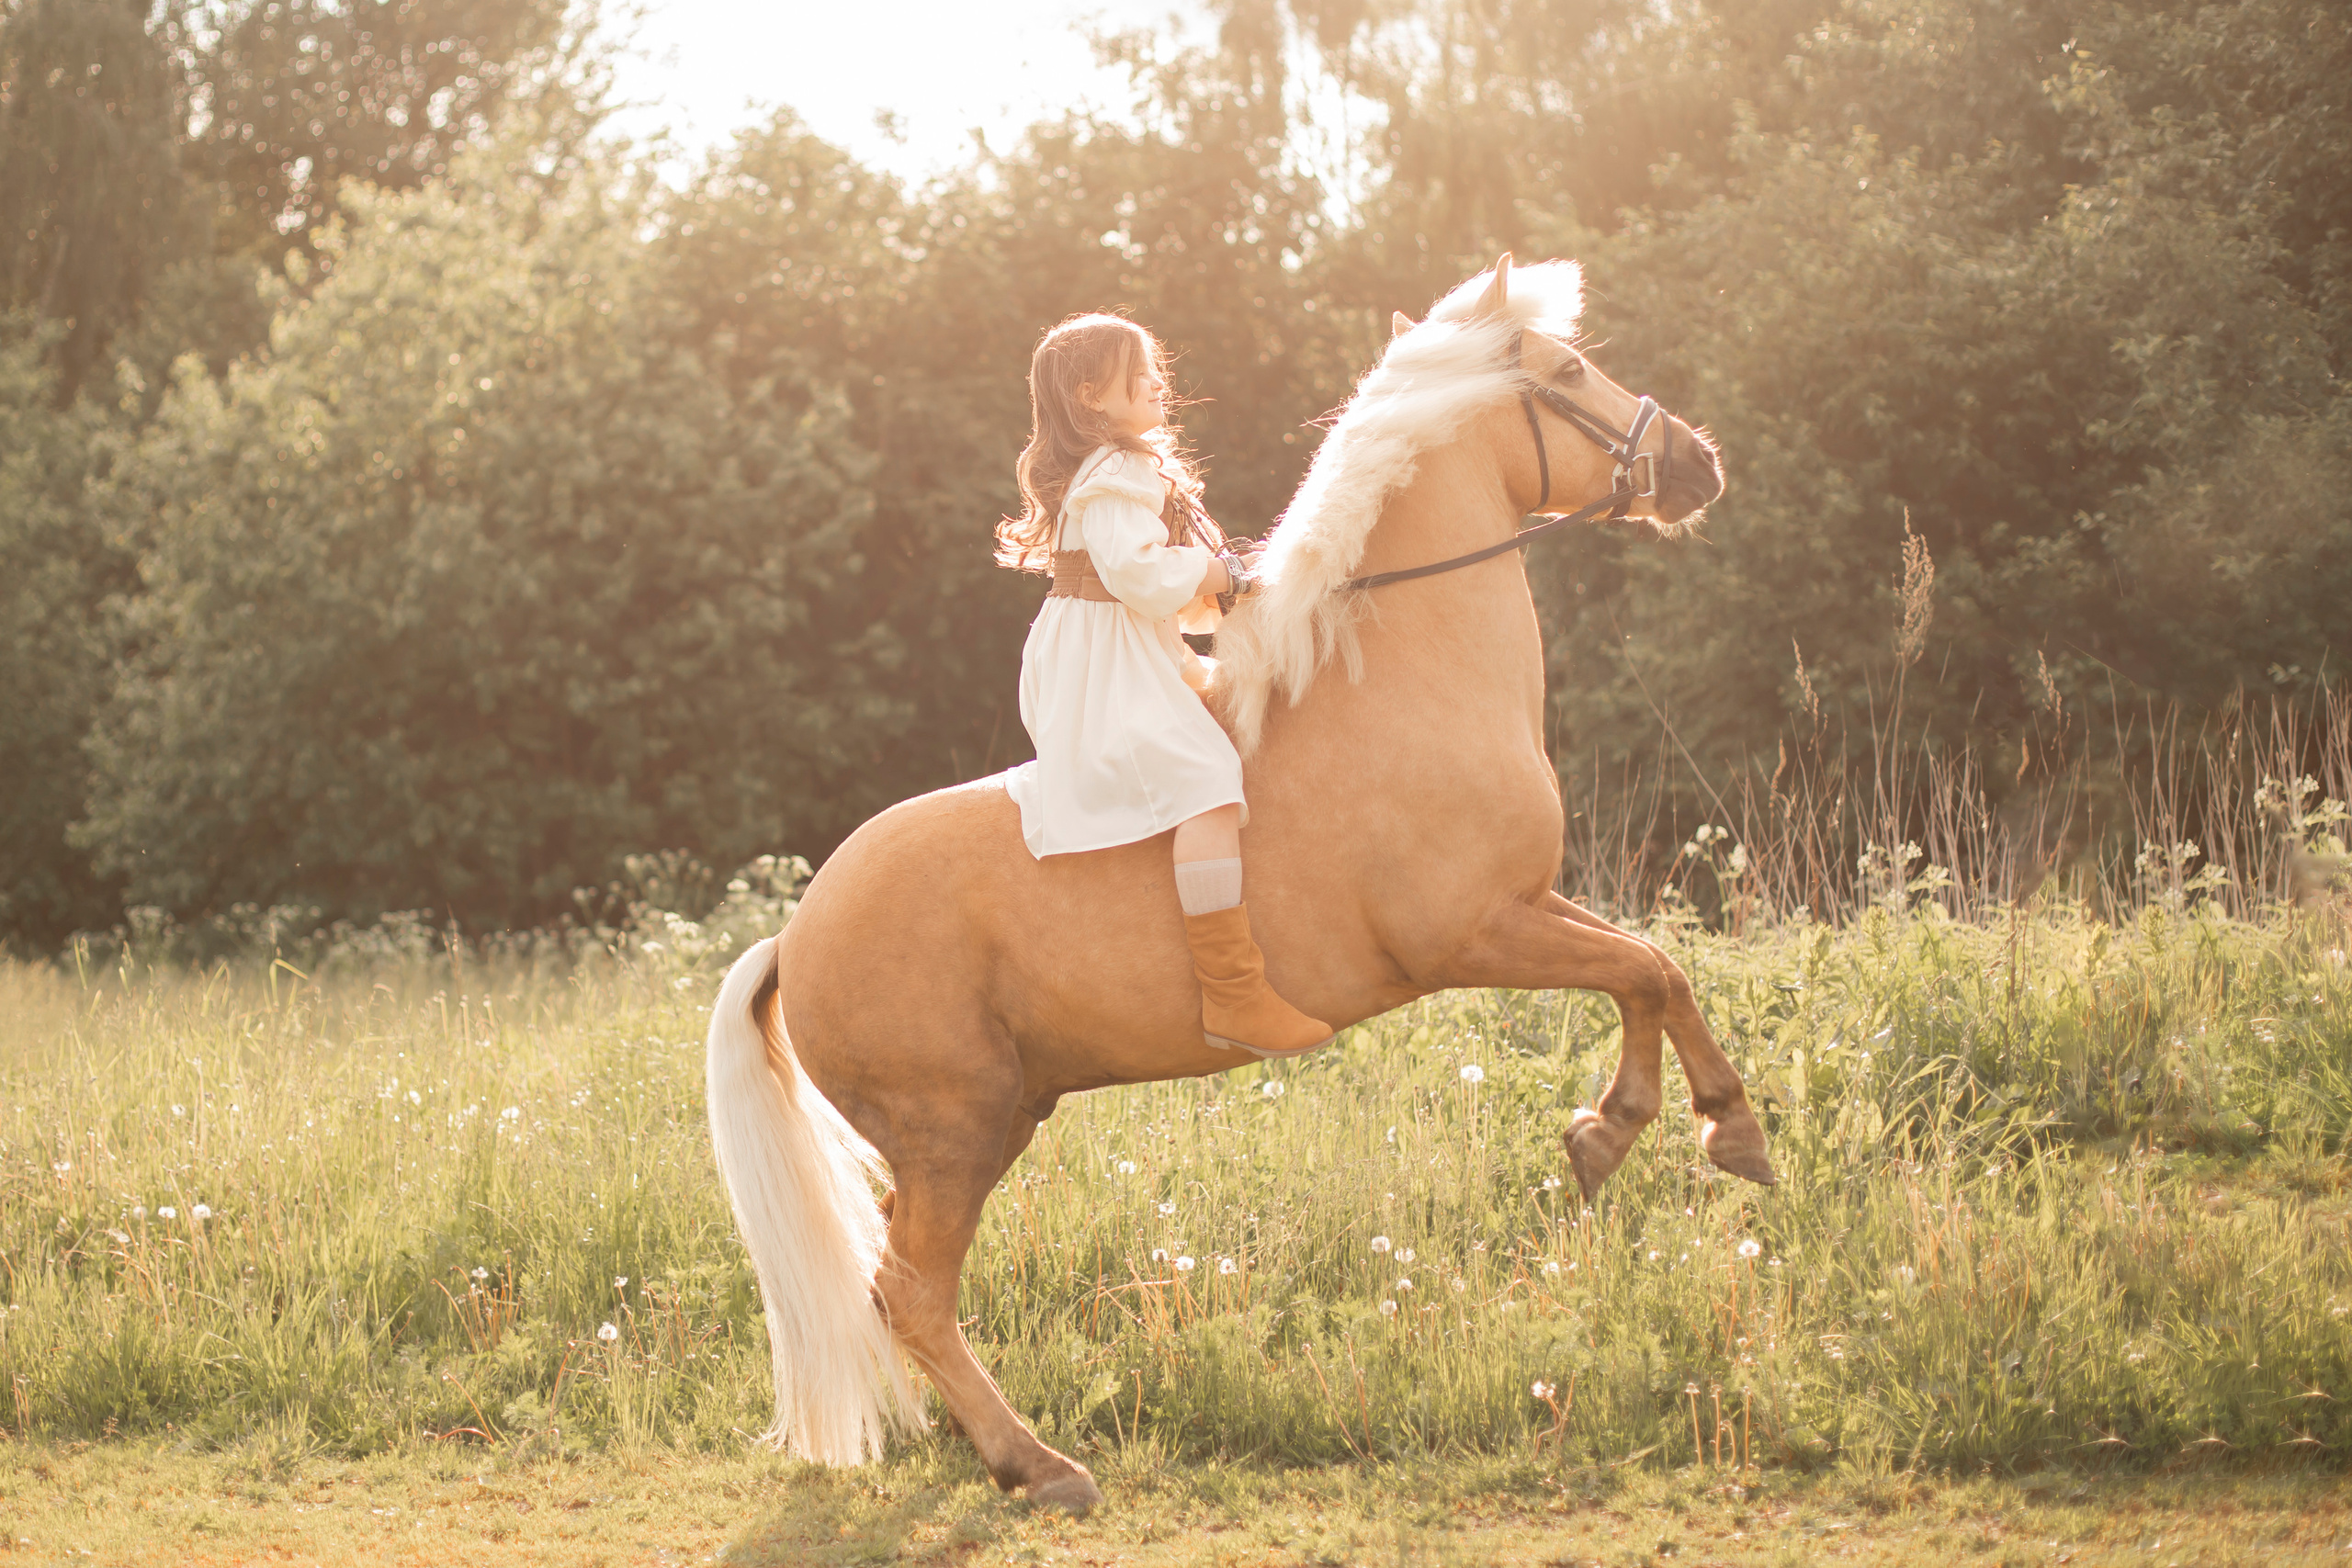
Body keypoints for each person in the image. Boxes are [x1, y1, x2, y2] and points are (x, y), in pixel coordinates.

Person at [999, 313, 1332, 1057]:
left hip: (1128, 647)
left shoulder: (1130, 468)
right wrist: (1229, 573)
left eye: (1155, 366)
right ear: (1090, 397)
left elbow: (1156, 587)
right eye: (1137, 370)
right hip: (1103, 666)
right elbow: (1139, 576)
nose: (1158, 380)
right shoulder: (1115, 477)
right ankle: (1232, 992)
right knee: (1205, 780)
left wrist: (1230, 584)